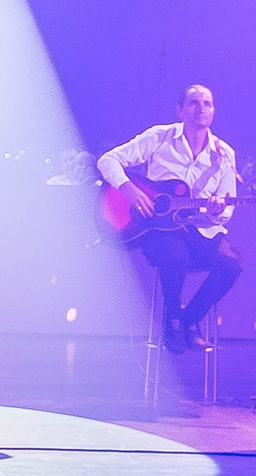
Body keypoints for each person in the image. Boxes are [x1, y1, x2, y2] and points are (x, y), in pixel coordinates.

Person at [97, 84, 243, 352]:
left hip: (199, 229)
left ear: (213, 111)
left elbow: (226, 211)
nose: (201, 109)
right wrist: (130, 190)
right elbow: (107, 160)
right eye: (194, 103)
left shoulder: (224, 154)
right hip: (158, 227)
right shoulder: (159, 137)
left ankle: (188, 321)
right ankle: (172, 318)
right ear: (180, 110)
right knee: (174, 256)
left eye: (207, 104)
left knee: (232, 264)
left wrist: (217, 210)